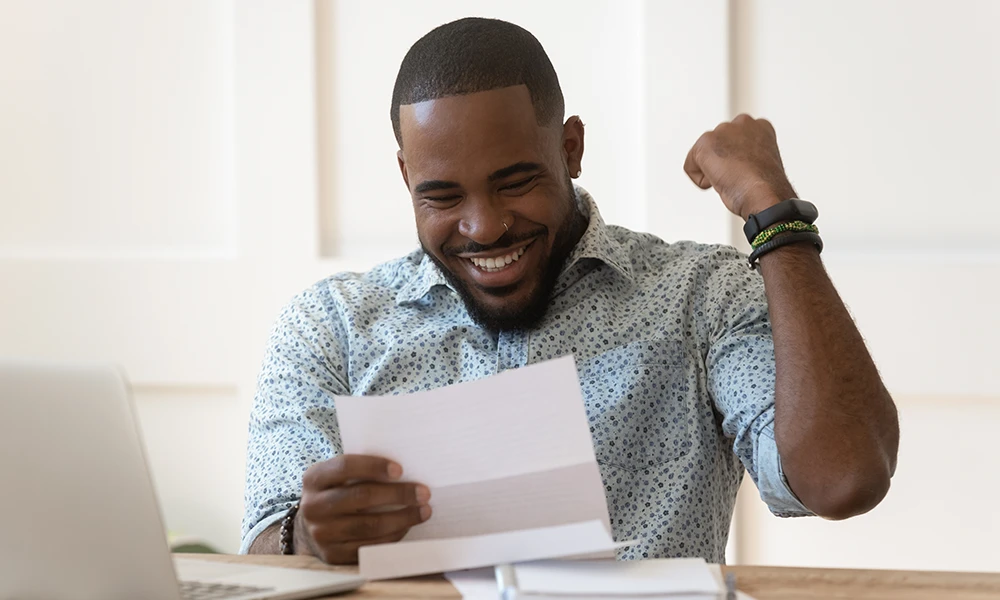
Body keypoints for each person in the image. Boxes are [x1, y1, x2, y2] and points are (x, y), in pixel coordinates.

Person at [241, 17, 899, 565]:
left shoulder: (701, 298)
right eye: (441, 196)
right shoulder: (331, 327)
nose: (484, 226)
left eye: (515, 182)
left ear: (572, 147)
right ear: (406, 175)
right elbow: (263, 545)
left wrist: (774, 214)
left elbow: (842, 477)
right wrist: (307, 536)